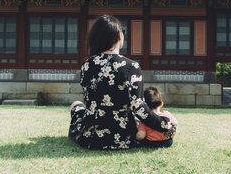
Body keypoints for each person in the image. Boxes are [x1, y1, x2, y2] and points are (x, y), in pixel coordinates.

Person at [68, 15, 174, 150]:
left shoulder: (87, 65)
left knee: (76, 104)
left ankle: (75, 132)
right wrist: (165, 125)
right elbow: (139, 107)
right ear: (119, 36)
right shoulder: (131, 66)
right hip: (124, 138)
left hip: (91, 139)